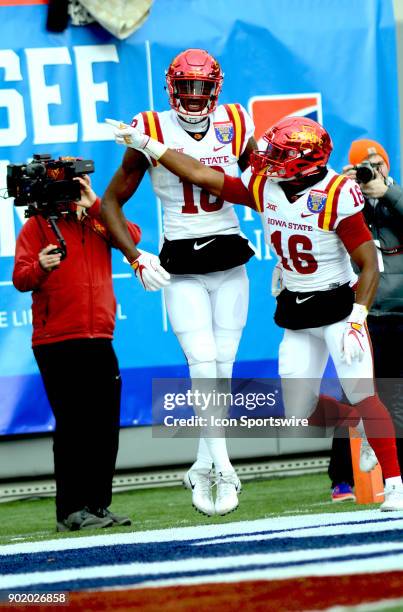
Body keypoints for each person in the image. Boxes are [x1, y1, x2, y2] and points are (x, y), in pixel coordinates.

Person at [108, 115, 403, 511]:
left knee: (363, 392)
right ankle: (360, 428)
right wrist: (150, 145)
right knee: (301, 410)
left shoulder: (336, 192)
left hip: (337, 306)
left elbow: (369, 263)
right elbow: (202, 174)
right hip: (297, 311)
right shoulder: (265, 185)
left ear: (306, 161)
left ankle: (396, 484)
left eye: (280, 154)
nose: (267, 158)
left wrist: (357, 315)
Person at [102, 48, 257, 517]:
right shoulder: (150, 127)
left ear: (216, 87)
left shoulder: (236, 121)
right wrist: (134, 257)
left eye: (201, 87)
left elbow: (260, 189)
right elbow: (110, 202)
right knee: (202, 361)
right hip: (181, 261)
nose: (193, 96)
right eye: (185, 87)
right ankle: (225, 466)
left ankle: (202, 461)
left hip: (230, 257)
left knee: (223, 367)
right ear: (172, 88)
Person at [13, 173, 142, 532]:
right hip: (56, 340)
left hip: (100, 336)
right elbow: (21, 278)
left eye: (76, 186)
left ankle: (98, 506)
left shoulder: (99, 220)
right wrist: (41, 265)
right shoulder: (36, 226)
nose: (70, 195)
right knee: (74, 426)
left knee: (104, 426)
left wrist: (97, 204)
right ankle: (70, 510)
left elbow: (131, 237)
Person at [327, 138, 403, 499]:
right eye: (365, 164)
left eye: (378, 162)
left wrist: (386, 192)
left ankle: (395, 475)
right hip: (361, 313)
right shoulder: (346, 200)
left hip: (398, 313)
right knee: (354, 395)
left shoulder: (396, 197)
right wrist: (345, 189)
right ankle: (341, 476)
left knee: (397, 398)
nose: (374, 169)